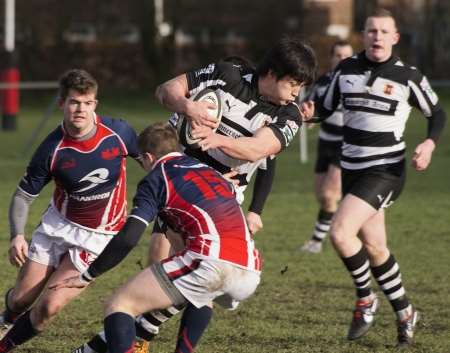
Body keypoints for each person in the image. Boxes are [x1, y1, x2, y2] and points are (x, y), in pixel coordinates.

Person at [75, 37, 317, 353]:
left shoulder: (290, 115)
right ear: (271, 73)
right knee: (163, 267)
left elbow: (260, 148)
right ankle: (133, 339)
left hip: (221, 198)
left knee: (199, 274)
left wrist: (217, 139)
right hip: (177, 184)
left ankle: (124, 342)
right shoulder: (226, 75)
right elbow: (166, 90)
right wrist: (189, 107)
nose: (296, 92)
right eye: (293, 83)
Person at [50, 122, 262, 353]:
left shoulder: (157, 178)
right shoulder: (210, 172)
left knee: (120, 304)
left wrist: (88, 275)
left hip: (211, 261)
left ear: (148, 157)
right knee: (198, 293)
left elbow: (129, 238)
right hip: (250, 268)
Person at [313, 9, 446, 347]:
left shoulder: (409, 77)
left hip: (386, 170)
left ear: (395, 37)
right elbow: (323, 108)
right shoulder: (346, 70)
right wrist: (303, 114)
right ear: (364, 35)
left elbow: (437, 112)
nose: (377, 36)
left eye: (384, 31)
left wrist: (429, 144)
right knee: (375, 247)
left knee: (341, 234)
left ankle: (364, 299)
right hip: (353, 171)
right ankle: (405, 311)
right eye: (372, 30)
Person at [0, 69, 144, 352]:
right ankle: (7, 317)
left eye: (87, 102)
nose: (80, 109)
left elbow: (152, 162)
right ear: (62, 104)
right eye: (74, 102)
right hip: (58, 226)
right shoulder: (51, 149)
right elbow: (23, 196)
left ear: (95, 104)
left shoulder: (119, 133)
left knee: (49, 307)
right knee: (21, 299)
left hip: (99, 236)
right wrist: (17, 235)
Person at [300, 40, 353, 253]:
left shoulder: (357, 81)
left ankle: (316, 241)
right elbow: (311, 109)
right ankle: (343, 220)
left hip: (345, 143)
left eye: (346, 56)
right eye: (338, 55)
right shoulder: (322, 82)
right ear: (331, 58)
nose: (342, 60)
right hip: (325, 143)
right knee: (322, 195)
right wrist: (307, 118)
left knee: (330, 195)